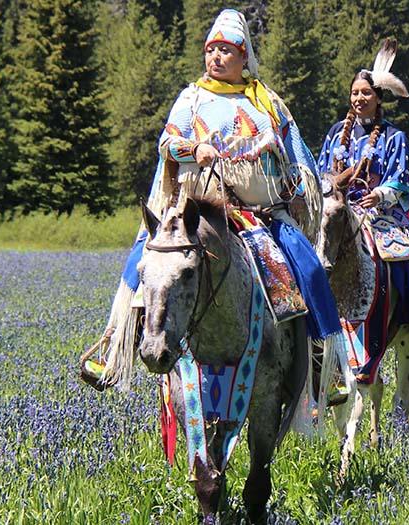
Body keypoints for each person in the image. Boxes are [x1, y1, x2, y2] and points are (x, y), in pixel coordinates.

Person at [87, 9, 341, 389]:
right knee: (143, 260)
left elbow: (294, 153)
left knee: (308, 267)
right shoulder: (191, 99)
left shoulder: (266, 101)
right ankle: (114, 349)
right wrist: (193, 149)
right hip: (195, 212)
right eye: (212, 50)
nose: (217, 57)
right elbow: (167, 144)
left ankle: (325, 367)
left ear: (244, 57)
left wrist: (300, 195)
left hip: (261, 214)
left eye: (226, 50)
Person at [315, 38, 409, 357]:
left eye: (366, 93)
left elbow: (402, 181)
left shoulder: (393, 136)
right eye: (355, 93)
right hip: (338, 209)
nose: (359, 98)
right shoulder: (336, 133)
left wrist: (380, 194)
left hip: (380, 211)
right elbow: (321, 171)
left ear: (378, 98)